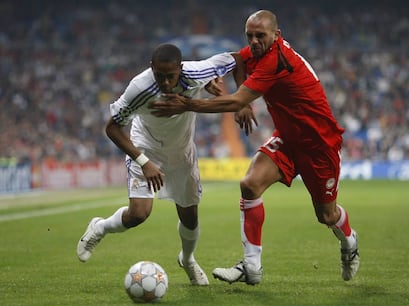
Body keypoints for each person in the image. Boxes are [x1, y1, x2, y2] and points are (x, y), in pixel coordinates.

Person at [151, 10, 360, 284]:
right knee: (250, 184)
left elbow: (234, 102)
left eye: (260, 35)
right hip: (287, 138)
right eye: (249, 36)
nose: (254, 41)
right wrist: (240, 95)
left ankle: (350, 243)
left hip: (318, 145)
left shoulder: (276, 61)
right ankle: (251, 267)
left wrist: (189, 103)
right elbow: (236, 59)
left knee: (326, 215)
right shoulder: (258, 52)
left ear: (277, 35)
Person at [76, 43, 249, 286]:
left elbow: (237, 59)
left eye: (170, 76)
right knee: (139, 214)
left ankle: (187, 259)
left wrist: (241, 101)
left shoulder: (197, 72)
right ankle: (100, 227)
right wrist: (144, 161)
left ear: (180, 68)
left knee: (190, 217)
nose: (166, 83)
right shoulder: (139, 88)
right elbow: (112, 128)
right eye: (159, 76)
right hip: (146, 147)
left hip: (182, 152)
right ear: (151, 68)